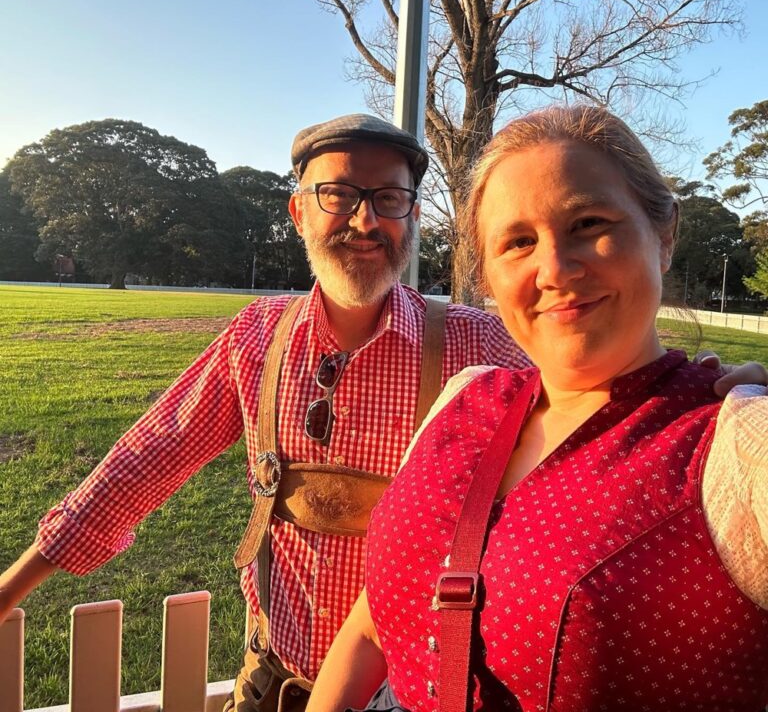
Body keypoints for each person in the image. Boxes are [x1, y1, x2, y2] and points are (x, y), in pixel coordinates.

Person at [0, 113, 763, 712]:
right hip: (278, 680)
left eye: (389, 199)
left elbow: (591, 361)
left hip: (407, 687)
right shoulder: (256, 340)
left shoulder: (474, 344)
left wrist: (715, 385)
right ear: (298, 212)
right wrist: (14, 587)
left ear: (412, 216)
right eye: (338, 195)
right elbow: (147, 457)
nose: (365, 221)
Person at [306, 106, 768, 712]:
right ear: (488, 274)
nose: (555, 268)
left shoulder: (737, 445)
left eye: (588, 222)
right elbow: (374, 620)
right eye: (519, 241)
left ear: (664, 235)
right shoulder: (464, 398)